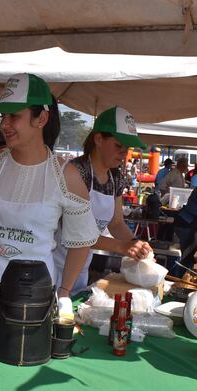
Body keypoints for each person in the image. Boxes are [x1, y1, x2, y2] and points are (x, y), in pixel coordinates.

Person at [0, 73, 99, 361]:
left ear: (41, 119)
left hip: (30, 300)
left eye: (14, 117)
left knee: (18, 369)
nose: (5, 125)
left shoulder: (67, 176)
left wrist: (64, 290)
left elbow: (81, 240)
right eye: (2, 117)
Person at [52, 107, 153, 294]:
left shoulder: (115, 179)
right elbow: (74, 231)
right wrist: (122, 246)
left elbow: (115, 223)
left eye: (127, 148)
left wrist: (135, 243)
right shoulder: (75, 173)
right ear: (98, 139)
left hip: (81, 270)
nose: (124, 153)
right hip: (54, 267)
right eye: (118, 145)